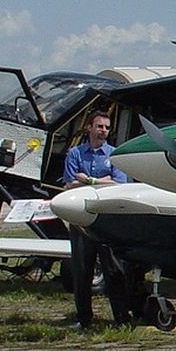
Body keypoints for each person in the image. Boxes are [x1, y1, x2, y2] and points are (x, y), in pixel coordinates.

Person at [62, 110, 133, 328]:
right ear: (89, 128)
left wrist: (89, 180)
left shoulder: (114, 154)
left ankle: (121, 317)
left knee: (114, 270)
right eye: (100, 126)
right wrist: (104, 180)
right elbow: (69, 183)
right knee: (82, 271)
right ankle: (84, 318)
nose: (103, 131)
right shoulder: (74, 154)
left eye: (107, 128)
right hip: (81, 220)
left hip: (107, 221)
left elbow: (120, 184)